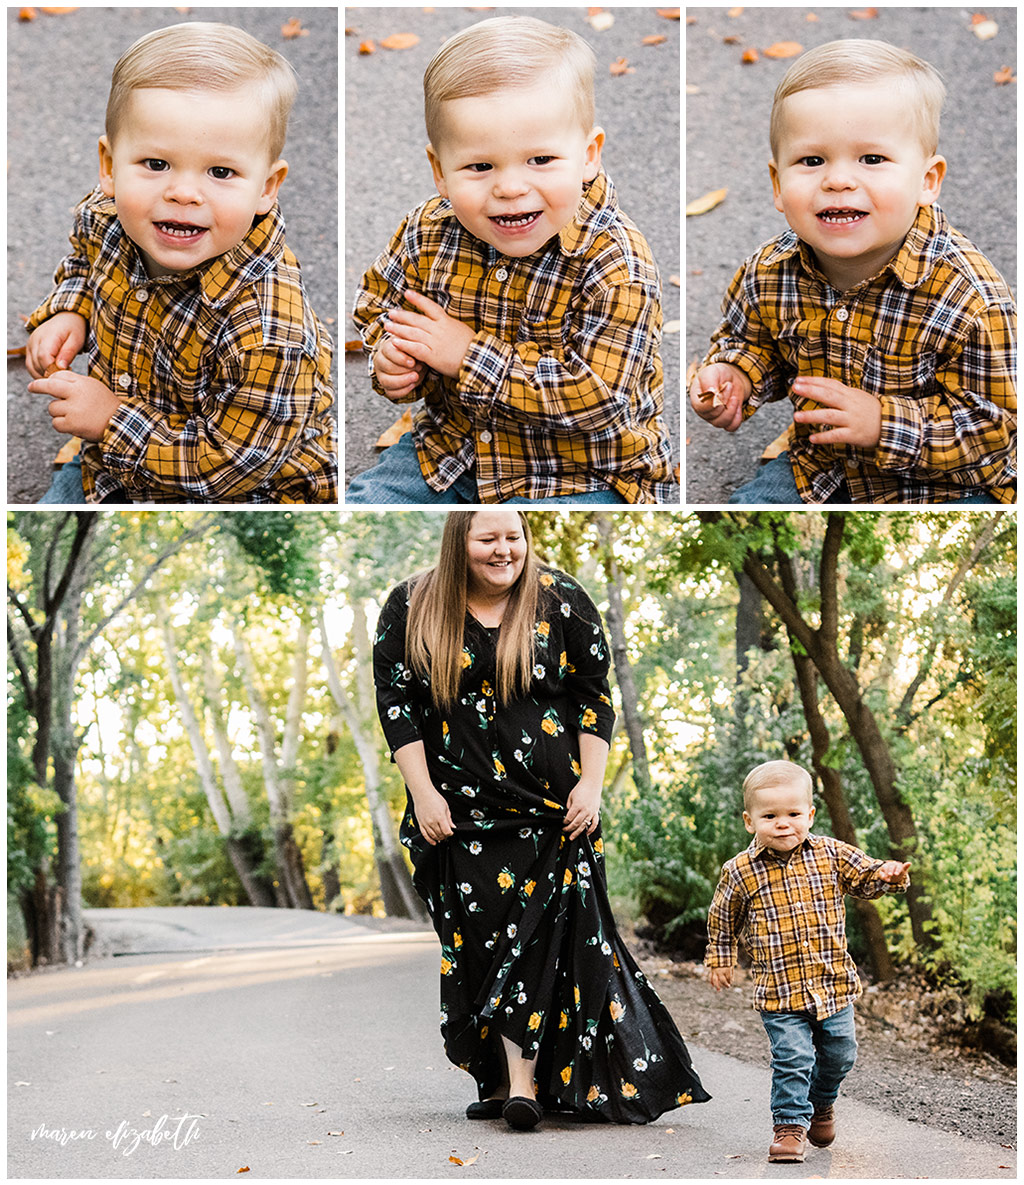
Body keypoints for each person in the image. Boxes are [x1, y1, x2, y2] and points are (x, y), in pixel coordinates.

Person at [373, 510, 709, 1128]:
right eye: (488, 538)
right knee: (478, 946)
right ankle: (499, 1082)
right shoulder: (411, 605)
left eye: (514, 537)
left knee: (541, 941)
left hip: (554, 809)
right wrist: (422, 794)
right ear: (459, 541)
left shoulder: (562, 599)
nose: (504, 550)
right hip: (460, 809)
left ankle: (526, 1087)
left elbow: (593, 695)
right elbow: (396, 705)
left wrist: (592, 786)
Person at [348, 16, 675, 505]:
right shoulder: (428, 230)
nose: (510, 187)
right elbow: (380, 303)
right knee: (368, 505)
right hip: (454, 451)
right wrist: (393, 359)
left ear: (589, 155)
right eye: (480, 166)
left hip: (581, 471)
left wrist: (467, 356)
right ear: (440, 170)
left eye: (540, 160)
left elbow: (598, 401)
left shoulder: (616, 263)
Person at [688, 39, 1016, 505]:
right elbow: (755, 342)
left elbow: (997, 428)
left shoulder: (971, 300)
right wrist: (735, 376)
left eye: (872, 159)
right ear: (778, 185)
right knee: (750, 507)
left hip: (949, 485)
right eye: (812, 160)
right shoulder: (770, 271)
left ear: (928, 181)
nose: (838, 179)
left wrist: (884, 424)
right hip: (824, 465)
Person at [24, 21, 337, 504]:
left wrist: (110, 420)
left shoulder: (270, 328)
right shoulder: (110, 217)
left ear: (267, 187)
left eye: (220, 171)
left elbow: (231, 466)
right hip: (114, 462)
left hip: (243, 491)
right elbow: (84, 261)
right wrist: (70, 309)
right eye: (155, 164)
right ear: (109, 166)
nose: (183, 193)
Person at [705, 760, 910, 1163]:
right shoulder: (740, 872)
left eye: (793, 814)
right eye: (770, 816)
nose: (783, 824)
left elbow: (865, 877)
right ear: (750, 821)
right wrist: (719, 957)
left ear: (810, 815)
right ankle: (789, 1127)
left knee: (841, 1054)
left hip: (832, 985)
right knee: (793, 1058)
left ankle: (822, 1102)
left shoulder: (831, 855)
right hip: (779, 992)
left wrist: (888, 874)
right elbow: (722, 916)